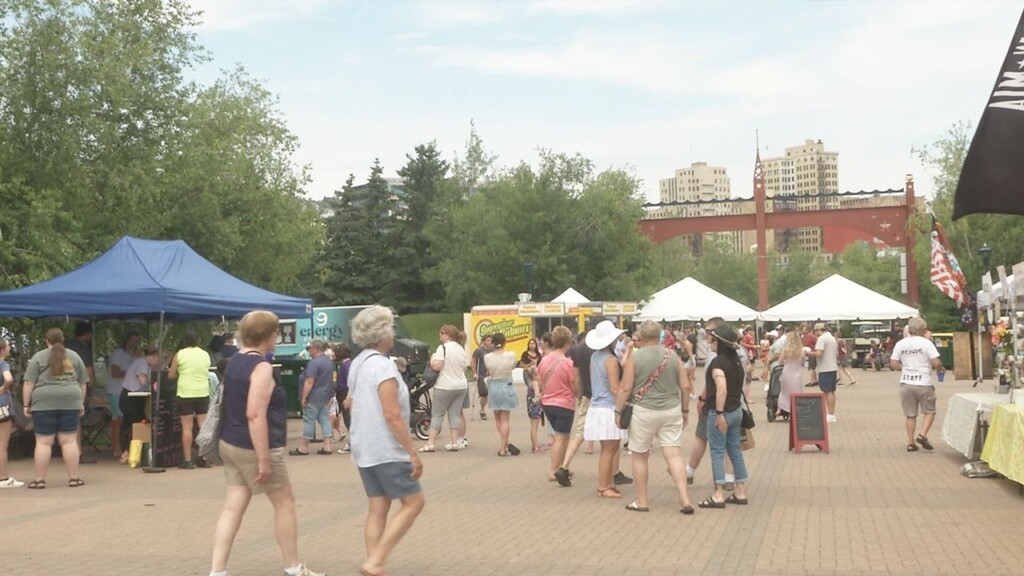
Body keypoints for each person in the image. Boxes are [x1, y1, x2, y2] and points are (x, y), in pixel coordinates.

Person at [209, 310, 324, 576]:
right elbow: (255, 414)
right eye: (276, 332)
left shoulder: (235, 360)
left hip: (229, 441)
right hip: (253, 445)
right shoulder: (261, 368)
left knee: (233, 506)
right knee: (285, 503)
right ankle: (293, 567)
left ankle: (217, 571)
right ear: (269, 335)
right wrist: (263, 459)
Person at [347, 305, 424, 576]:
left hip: (363, 446)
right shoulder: (384, 367)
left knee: (378, 506)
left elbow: (348, 401)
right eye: (391, 327)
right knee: (414, 503)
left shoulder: (358, 363)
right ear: (382, 334)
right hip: (386, 448)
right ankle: (376, 561)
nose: (393, 333)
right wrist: (412, 451)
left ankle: (374, 563)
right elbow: (392, 414)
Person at [615, 320, 693, 513]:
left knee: (640, 456)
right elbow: (685, 386)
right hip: (671, 409)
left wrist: (618, 411)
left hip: (643, 410)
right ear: (660, 335)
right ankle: (684, 498)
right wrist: (685, 410)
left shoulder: (636, 356)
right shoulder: (672, 355)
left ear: (640, 337)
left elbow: (625, 387)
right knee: (674, 454)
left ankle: (642, 501)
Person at [22, 328, 89, 489]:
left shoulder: (38, 357)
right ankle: (74, 478)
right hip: (70, 400)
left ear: (46, 341)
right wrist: (80, 402)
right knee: (69, 441)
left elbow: (28, 383)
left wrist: (26, 404)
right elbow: (83, 383)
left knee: (44, 442)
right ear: (63, 339)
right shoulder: (74, 356)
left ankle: (39, 480)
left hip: (43, 402)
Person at [698, 326, 750, 508]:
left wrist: (719, 413)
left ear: (719, 343)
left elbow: (721, 388)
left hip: (722, 411)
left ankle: (718, 493)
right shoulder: (737, 361)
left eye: (712, 340)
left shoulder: (718, 363)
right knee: (735, 450)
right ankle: (740, 491)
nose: (709, 343)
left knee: (717, 452)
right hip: (736, 410)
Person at [584, 321, 628, 499]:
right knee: (609, 450)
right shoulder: (610, 360)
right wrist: (623, 402)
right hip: (608, 407)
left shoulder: (595, 357)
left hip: (597, 407)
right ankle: (604, 486)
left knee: (609, 448)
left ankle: (608, 482)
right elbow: (614, 387)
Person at [890, 317, 944, 453]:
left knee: (910, 415)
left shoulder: (900, 344)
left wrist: (904, 367)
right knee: (929, 411)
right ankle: (923, 434)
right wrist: (939, 369)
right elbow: (936, 362)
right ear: (922, 329)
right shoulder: (926, 343)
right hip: (924, 382)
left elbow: (893, 364)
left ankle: (910, 442)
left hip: (906, 383)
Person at [537, 326, 578, 486]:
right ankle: (554, 470)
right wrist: (578, 394)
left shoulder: (545, 359)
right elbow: (573, 383)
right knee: (561, 437)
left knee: (561, 436)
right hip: (564, 403)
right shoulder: (567, 363)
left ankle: (564, 467)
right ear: (567, 343)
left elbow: (540, 379)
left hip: (548, 402)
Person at [420, 325, 468, 453]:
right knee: (455, 414)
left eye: (441, 333)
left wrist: (431, 360)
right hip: (461, 385)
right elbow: (463, 367)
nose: (439, 336)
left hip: (445, 385)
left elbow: (437, 366)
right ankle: (454, 442)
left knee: (437, 415)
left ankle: (430, 443)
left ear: (447, 334)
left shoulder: (443, 348)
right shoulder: (460, 348)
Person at [169, 330, 213, 468]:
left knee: (187, 427)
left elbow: (170, 375)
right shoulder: (205, 354)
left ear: (184, 341)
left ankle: (187, 460)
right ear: (199, 340)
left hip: (185, 392)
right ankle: (204, 458)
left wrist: (179, 373)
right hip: (202, 391)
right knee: (202, 426)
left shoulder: (180, 354)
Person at [290, 339, 334, 456]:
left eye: (310, 348)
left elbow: (309, 381)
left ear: (315, 348)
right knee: (324, 420)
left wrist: (304, 397)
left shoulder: (314, 363)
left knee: (309, 420)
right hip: (325, 396)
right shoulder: (328, 361)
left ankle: (303, 447)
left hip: (313, 396)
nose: (309, 351)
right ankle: (327, 446)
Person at [118, 345, 160, 464]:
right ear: (153, 356)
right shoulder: (142, 363)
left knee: (129, 423)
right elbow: (142, 380)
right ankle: (127, 451)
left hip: (133, 397)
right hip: (130, 398)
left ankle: (126, 452)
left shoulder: (144, 363)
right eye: (158, 358)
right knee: (138, 423)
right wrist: (153, 383)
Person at [484, 332, 520, 456]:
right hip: (507, 386)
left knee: (497, 418)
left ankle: (504, 445)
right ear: (504, 342)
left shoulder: (487, 357)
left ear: (493, 343)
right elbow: (514, 366)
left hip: (494, 386)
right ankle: (503, 447)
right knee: (505, 419)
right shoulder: (511, 355)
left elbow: (488, 370)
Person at [107, 331, 141, 456]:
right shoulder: (118, 353)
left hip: (128, 391)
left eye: (138, 341)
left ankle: (123, 447)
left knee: (125, 420)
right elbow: (114, 373)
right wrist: (132, 373)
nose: (135, 344)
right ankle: (118, 448)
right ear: (127, 340)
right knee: (120, 420)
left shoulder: (133, 356)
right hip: (116, 390)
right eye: (133, 341)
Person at [0, 338, 25, 488]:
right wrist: (3, 388)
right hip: (2, 405)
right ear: (2, 349)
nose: (10, 348)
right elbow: (8, 379)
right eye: (8, 346)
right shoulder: (3, 364)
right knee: (2, 444)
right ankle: (3, 477)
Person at [519, 338, 544, 453]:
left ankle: (535, 445)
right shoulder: (535, 383)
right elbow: (537, 395)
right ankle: (535, 446)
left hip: (530, 405)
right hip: (535, 406)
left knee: (533, 427)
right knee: (534, 428)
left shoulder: (530, 386)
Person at [811, 323, 840, 423]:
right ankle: (831, 413)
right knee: (831, 391)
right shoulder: (832, 338)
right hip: (832, 367)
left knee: (827, 391)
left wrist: (809, 353)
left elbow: (819, 353)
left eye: (815, 331)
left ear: (818, 330)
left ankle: (830, 414)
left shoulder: (822, 339)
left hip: (825, 368)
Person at [776, 327, 805, 419]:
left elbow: (780, 361)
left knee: (784, 391)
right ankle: (795, 410)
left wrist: (787, 362)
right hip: (796, 373)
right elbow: (802, 362)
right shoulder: (802, 350)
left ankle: (780, 408)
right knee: (797, 391)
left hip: (787, 372)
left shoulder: (786, 349)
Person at [333, 344, 353, 452]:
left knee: (349, 420)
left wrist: (347, 398)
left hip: (345, 394)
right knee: (348, 420)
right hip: (344, 394)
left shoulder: (346, 366)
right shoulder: (347, 365)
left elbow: (350, 383)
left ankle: (352, 443)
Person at [471, 334, 493, 420]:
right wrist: (474, 373)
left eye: (490, 341)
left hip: (491, 374)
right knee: (484, 393)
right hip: (481, 375)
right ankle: (482, 410)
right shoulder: (478, 351)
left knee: (490, 393)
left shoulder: (493, 350)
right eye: (487, 340)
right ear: (483, 341)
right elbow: (473, 362)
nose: (489, 342)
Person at [801, 323, 818, 387]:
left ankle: (811, 381)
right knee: (811, 367)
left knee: (811, 367)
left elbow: (817, 341)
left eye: (804, 329)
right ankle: (815, 380)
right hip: (808, 352)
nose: (803, 330)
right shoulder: (804, 336)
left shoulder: (811, 336)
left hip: (812, 352)